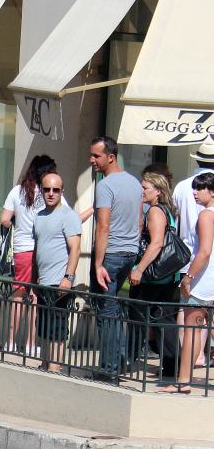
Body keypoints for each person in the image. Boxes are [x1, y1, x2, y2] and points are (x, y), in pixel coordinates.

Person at [88, 135, 143, 378]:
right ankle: (121, 362)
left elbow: (103, 226)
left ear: (111, 157)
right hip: (129, 253)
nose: (92, 160)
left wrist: (98, 263)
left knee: (106, 312)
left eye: (96, 156)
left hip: (110, 255)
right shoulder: (134, 183)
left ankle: (109, 370)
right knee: (112, 309)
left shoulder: (105, 185)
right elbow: (139, 222)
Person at [163, 173, 214, 393]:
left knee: (192, 328)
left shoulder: (206, 215)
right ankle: (183, 380)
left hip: (204, 279)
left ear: (211, 192)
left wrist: (188, 277)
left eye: (200, 188)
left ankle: (183, 381)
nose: (195, 192)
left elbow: (203, 251)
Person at [0, 154, 56, 354]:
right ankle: (31, 344)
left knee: (19, 294)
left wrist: (19, 223)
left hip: (22, 249)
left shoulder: (17, 191)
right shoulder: (49, 192)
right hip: (43, 249)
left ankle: (11, 341)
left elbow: (5, 219)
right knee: (34, 296)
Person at [129, 172, 182, 379]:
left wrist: (139, 269)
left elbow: (157, 242)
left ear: (158, 191)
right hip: (168, 275)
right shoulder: (167, 211)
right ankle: (171, 367)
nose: (141, 191)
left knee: (139, 317)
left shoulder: (155, 211)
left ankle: (127, 359)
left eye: (145, 188)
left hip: (154, 276)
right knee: (164, 320)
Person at [31, 172, 82, 374]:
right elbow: (38, 249)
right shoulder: (39, 216)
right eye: (47, 189)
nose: (51, 193)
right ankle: (45, 365)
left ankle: (54, 368)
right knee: (43, 327)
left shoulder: (68, 216)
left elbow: (75, 249)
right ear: (41, 191)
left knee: (58, 329)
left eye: (56, 190)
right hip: (43, 282)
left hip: (60, 282)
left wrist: (67, 278)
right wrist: (34, 282)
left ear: (62, 192)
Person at [172, 144, 214, 368]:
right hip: (199, 259)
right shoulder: (196, 189)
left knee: (190, 316)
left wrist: (188, 275)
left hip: (191, 257)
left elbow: (177, 217)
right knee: (199, 316)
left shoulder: (182, 186)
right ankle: (196, 360)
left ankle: (191, 362)